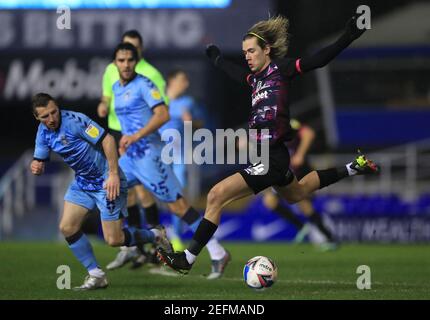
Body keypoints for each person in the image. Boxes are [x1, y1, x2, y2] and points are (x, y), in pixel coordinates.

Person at [157, 13, 380, 273]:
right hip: (268, 156)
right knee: (298, 193)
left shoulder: (281, 70)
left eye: (251, 51)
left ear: (267, 49)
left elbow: (318, 60)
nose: (247, 56)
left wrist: (348, 36)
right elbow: (234, 72)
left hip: (271, 158)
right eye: (244, 52)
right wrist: (217, 58)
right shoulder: (255, 81)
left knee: (216, 194)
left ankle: (188, 258)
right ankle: (354, 167)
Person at [30, 93, 172, 290]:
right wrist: (37, 165)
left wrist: (113, 174)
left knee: (114, 240)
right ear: (37, 118)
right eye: (45, 116)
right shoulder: (42, 132)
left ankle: (155, 235)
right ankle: (96, 275)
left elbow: (107, 140)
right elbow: (40, 159)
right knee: (67, 227)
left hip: (107, 181)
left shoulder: (75, 121)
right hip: (82, 183)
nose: (52, 118)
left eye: (54, 112)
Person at [112, 43, 231, 279]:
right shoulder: (116, 87)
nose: (125, 65)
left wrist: (136, 136)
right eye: (121, 60)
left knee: (178, 207)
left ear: (136, 62)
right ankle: (137, 245)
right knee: (113, 190)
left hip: (150, 156)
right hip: (130, 157)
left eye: (129, 60)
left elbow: (163, 114)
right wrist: (125, 139)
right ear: (115, 62)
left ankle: (217, 252)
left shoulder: (145, 85)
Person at [97, 30, 169, 270]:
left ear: (140, 51)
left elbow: (161, 109)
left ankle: (157, 246)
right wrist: (103, 105)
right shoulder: (111, 70)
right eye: (124, 51)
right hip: (118, 135)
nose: (127, 57)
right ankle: (136, 248)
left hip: (141, 137)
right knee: (124, 194)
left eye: (133, 51)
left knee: (143, 193)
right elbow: (107, 96)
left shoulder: (150, 75)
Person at [262, 119, 337, 249]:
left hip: (301, 172)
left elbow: (308, 133)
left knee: (305, 205)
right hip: (286, 174)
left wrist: (300, 154)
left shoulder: (288, 122)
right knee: (270, 201)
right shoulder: (269, 129)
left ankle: (328, 237)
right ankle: (302, 227)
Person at [159, 68, 196, 251]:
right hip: (157, 152)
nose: (186, 84)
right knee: (148, 194)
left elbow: (196, 125)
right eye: (182, 80)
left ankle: (176, 235)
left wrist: (189, 122)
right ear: (171, 81)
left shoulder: (186, 102)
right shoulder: (158, 99)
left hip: (178, 154)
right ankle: (148, 236)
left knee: (177, 193)